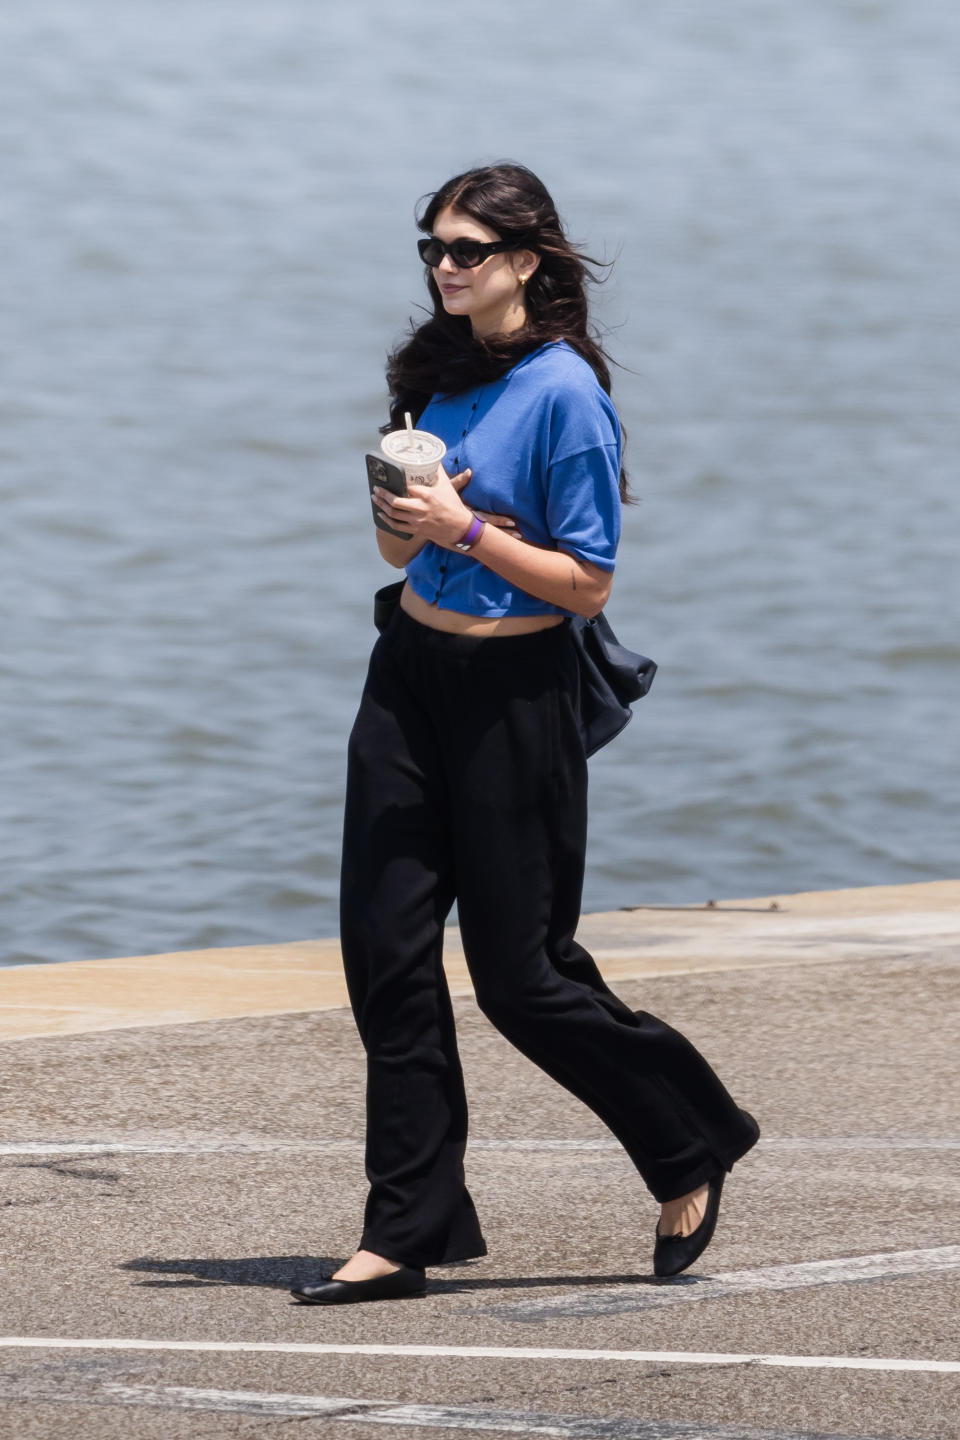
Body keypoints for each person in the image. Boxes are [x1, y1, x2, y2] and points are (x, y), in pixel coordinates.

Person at [291, 163, 759, 1306]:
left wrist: (466, 525)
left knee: (522, 977)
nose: (445, 268)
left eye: (466, 250)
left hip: (518, 695)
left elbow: (588, 584)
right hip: (407, 678)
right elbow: (398, 556)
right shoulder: (432, 374)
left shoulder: (567, 396)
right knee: (386, 958)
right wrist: (412, 517)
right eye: (432, 250)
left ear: (528, 260)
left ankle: (690, 1133)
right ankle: (406, 1227)